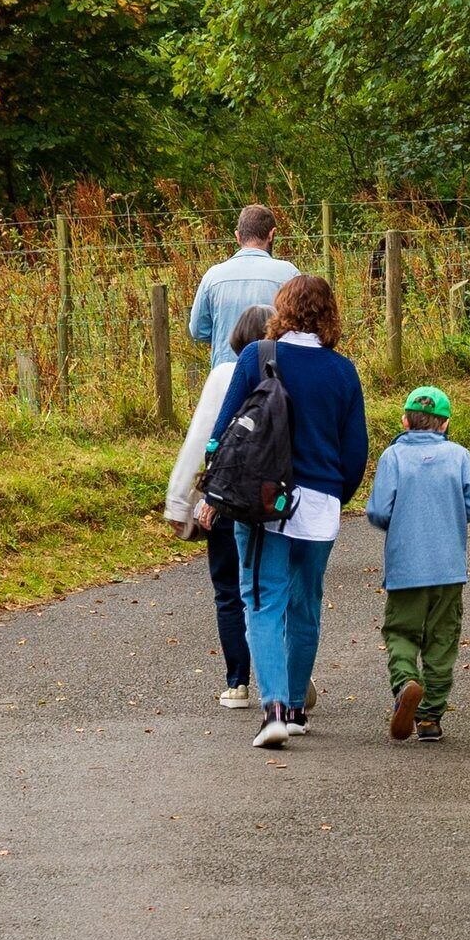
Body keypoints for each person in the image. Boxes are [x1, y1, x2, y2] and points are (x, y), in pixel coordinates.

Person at [223, 273, 366, 749]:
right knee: (306, 606)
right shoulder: (343, 371)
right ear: (330, 315)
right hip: (322, 505)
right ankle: (299, 710)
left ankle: (275, 711)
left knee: (264, 602)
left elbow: (224, 431)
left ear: (282, 309)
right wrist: (334, 495)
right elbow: (355, 453)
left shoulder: (256, 357)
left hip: (265, 501)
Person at [164, 301, 272, 709]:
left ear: (237, 337)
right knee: (273, 587)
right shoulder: (287, 374)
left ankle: (237, 683)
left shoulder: (225, 374)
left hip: (226, 496)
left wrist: (179, 502)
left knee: (229, 590)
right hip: (274, 498)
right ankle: (286, 674)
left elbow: (200, 440)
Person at [366, 386, 470, 742]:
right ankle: (430, 717)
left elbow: (378, 510)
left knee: (401, 632)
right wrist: (450, 514)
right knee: (442, 638)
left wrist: (401, 522)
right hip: (449, 566)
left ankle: (406, 682)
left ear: (405, 421)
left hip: (406, 566)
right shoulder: (459, 456)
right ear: (445, 423)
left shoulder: (393, 456)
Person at [187, 204, 301, 363]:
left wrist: (225, 336)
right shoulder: (289, 274)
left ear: (238, 236)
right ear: (272, 234)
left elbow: (198, 330)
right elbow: (300, 328)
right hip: (273, 371)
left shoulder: (213, 276)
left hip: (226, 371)